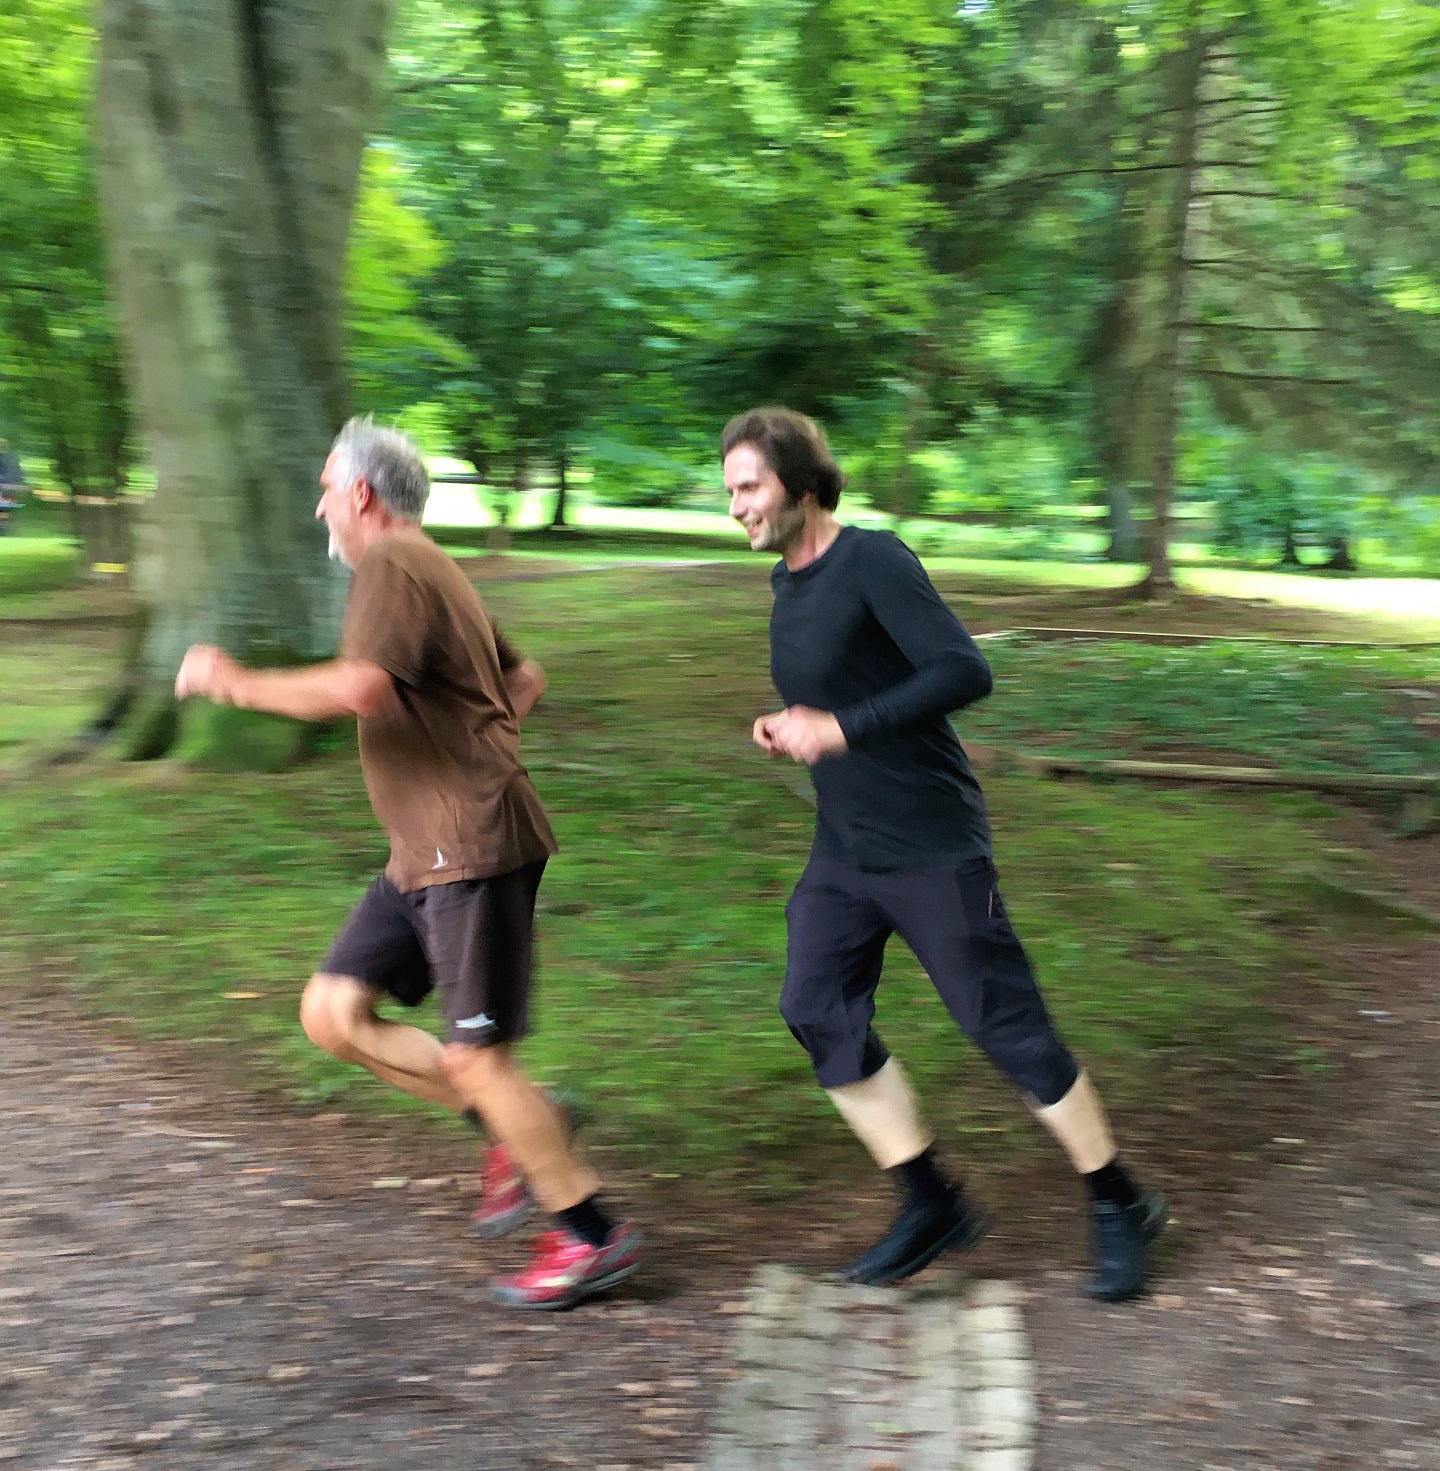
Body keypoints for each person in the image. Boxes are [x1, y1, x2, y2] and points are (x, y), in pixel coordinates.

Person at [174, 417, 639, 1311]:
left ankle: (591, 1235)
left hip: (467, 849)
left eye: (325, 492)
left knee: (479, 1059)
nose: (320, 510)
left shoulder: (393, 562)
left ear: (361, 494)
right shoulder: (432, 566)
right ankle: (521, 1124)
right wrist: (474, 748)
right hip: (423, 852)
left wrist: (236, 683)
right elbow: (525, 679)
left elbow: (362, 688)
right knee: (332, 1013)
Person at [722, 407, 1167, 1302]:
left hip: (929, 843)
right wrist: (794, 725)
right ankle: (931, 1202)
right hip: (846, 847)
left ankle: (1120, 1200)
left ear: (801, 484)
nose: (736, 506)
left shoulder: (874, 560)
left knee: (1003, 1023)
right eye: (730, 490)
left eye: (750, 487)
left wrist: (841, 728)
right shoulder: (787, 580)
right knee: (816, 1006)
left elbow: (964, 670)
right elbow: (839, 694)